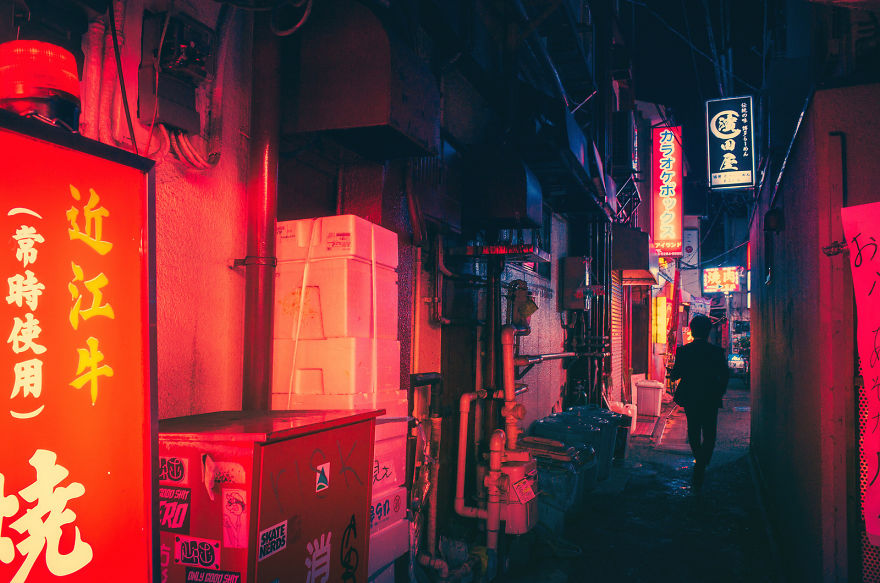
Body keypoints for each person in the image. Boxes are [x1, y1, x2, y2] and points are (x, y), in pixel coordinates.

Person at [667, 315, 730, 489]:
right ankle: (702, 463)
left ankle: (699, 462)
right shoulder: (716, 352)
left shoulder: (684, 351)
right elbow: (725, 375)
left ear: (692, 330)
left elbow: (675, 375)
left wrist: (672, 372)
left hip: (691, 397)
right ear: (708, 330)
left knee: (693, 430)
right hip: (710, 397)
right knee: (710, 433)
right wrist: (719, 392)